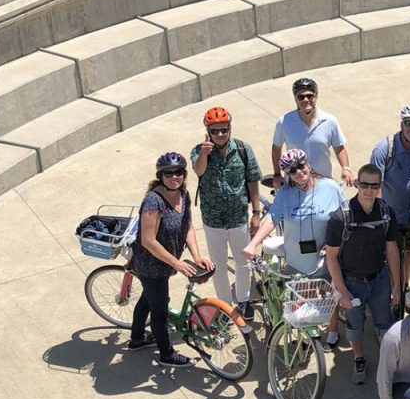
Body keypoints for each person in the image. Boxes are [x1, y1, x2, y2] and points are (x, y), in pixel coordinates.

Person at [242, 148, 345, 346]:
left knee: (330, 298)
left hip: (326, 258)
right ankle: (304, 336)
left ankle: (333, 330)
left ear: (308, 165)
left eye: (300, 166)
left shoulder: (330, 187)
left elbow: (345, 217)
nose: (298, 172)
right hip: (297, 260)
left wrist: (334, 241)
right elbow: (272, 219)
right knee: (300, 302)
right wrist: (253, 244)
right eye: (292, 170)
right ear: (287, 175)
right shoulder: (285, 194)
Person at [128, 152, 215, 368]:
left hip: (166, 263)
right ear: (160, 176)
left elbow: (187, 227)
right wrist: (177, 264)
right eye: (169, 173)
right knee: (159, 310)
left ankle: (137, 339)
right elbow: (148, 241)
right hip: (151, 265)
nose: (174, 177)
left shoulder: (183, 195)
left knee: (147, 300)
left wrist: (196, 257)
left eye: (179, 172)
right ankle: (166, 355)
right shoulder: (153, 201)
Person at [324, 164, 401, 384]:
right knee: (354, 326)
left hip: (379, 280)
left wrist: (396, 284)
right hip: (352, 282)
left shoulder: (386, 213)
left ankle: (388, 363)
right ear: (357, 183)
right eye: (364, 184)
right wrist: (342, 292)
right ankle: (359, 358)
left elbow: (392, 249)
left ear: (379, 186)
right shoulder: (340, 218)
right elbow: (331, 257)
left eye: (374, 185)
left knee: (384, 324)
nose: (368, 190)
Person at [191, 106, 262, 319]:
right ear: (208, 131)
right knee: (219, 265)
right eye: (215, 131)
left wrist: (256, 212)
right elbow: (198, 171)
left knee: (243, 261)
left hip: (238, 217)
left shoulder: (243, 149)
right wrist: (204, 153)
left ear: (230, 128)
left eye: (224, 129)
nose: (220, 134)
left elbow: (253, 181)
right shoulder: (199, 150)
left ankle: (243, 300)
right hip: (213, 220)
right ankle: (224, 305)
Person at [370, 104, 410, 288]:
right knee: (391, 256)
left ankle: (404, 287)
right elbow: (374, 186)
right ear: (401, 124)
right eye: (409, 123)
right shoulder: (384, 150)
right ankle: (393, 290)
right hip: (391, 216)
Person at [271, 78, 354, 187]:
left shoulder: (329, 121)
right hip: (295, 183)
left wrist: (346, 168)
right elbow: (276, 149)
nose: (306, 100)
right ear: (295, 99)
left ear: (316, 96)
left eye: (310, 96)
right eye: (301, 97)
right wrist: (277, 175)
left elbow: (339, 147)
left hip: (323, 182)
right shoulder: (284, 122)